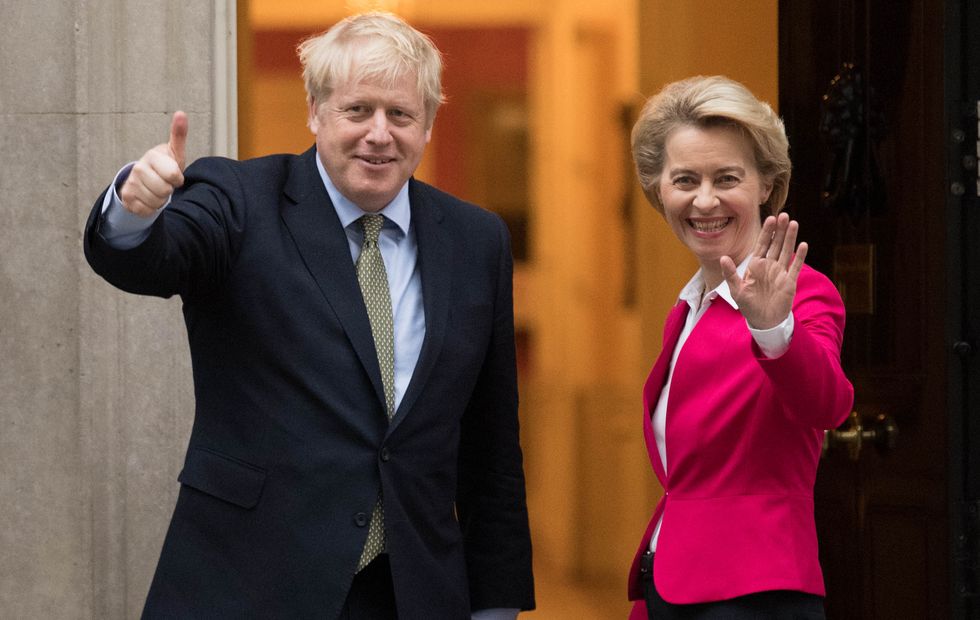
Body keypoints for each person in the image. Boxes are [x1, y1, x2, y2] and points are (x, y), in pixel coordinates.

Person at [83, 12, 534, 620]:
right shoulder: (239, 200)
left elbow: (491, 446)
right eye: (357, 111)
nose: (380, 134)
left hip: (412, 592)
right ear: (315, 112)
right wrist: (135, 213)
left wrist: (495, 605)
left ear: (427, 122)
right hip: (247, 584)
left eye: (400, 114)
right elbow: (154, 260)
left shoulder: (477, 240)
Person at [625, 75, 854, 619]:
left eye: (727, 177)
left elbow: (828, 404)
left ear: (766, 185)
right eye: (685, 179)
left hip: (755, 593)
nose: (705, 200)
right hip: (675, 585)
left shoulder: (801, 292)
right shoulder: (686, 309)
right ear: (660, 190)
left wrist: (774, 331)